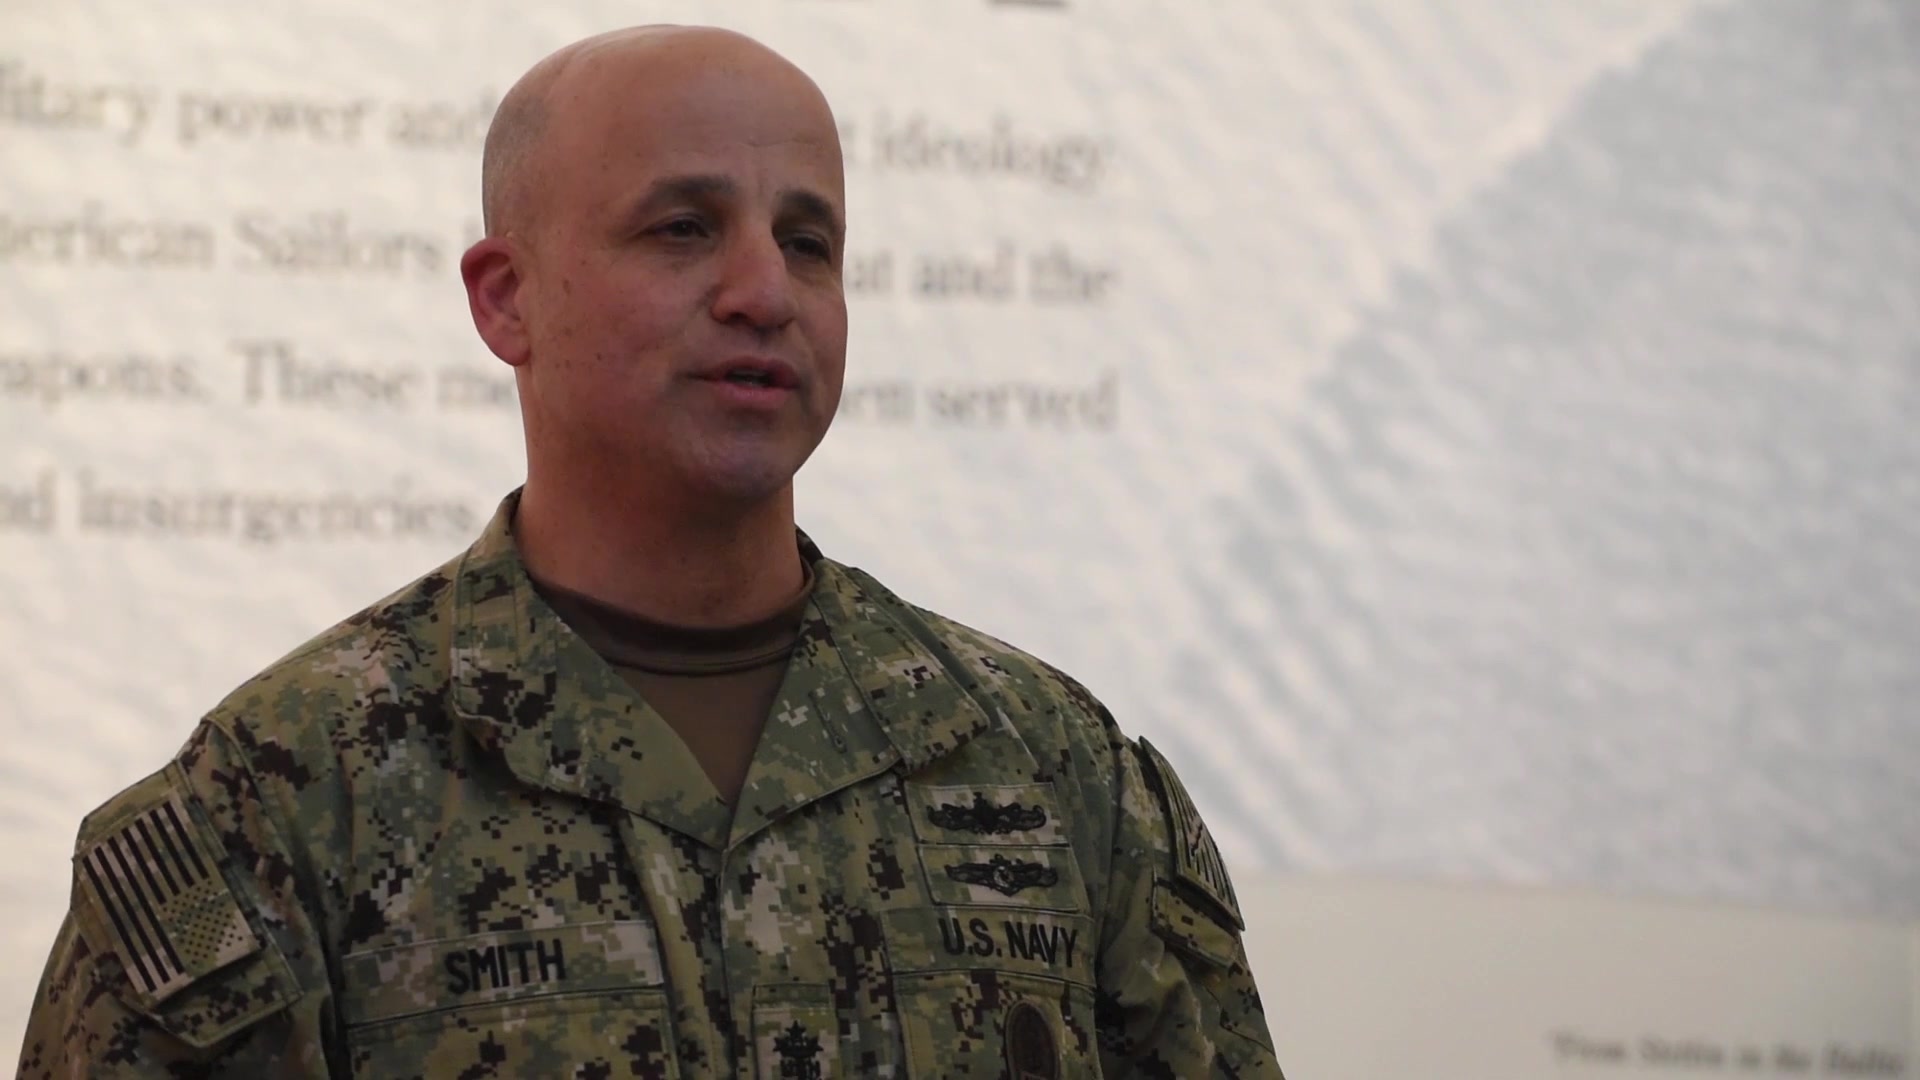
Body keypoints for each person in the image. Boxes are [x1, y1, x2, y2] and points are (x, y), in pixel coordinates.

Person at [16, 25, 1282, 1079]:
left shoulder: (1060, 775)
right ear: (505, 299)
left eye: (808, 241)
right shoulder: (275, 803)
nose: (763, 291)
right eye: (682, 229)